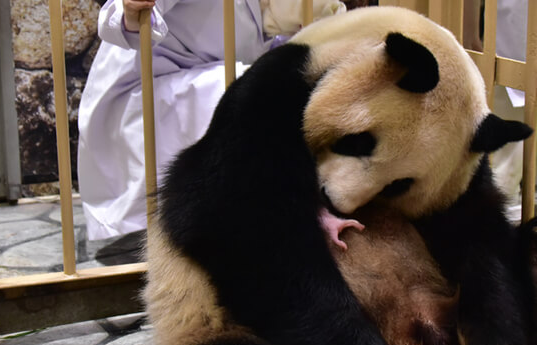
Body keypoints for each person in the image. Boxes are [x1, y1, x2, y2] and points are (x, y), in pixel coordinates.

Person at [77, 0, 346, 240]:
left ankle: (302, 211)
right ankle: (303, 214)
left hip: (204, 81)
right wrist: (131, 13)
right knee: (257, 89)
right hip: (144, 92)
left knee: (279, 83)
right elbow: (117, 19)